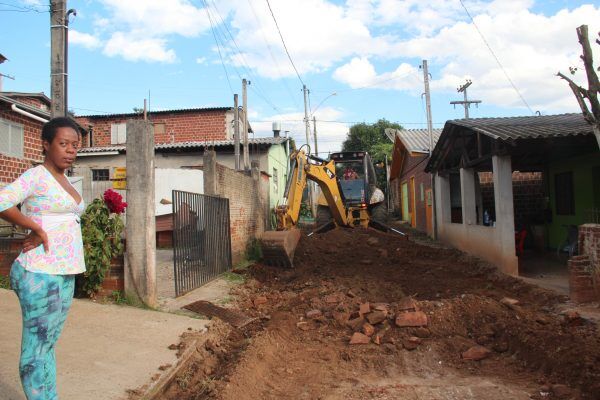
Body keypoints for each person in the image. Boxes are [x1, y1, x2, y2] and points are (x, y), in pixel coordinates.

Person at [0, 117, 85, 400]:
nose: (70, 150)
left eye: (75, 145)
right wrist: (34, 227)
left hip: (64, 271)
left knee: (47, 346)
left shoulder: (66, 179)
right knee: (36, 350)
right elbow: (2, 201)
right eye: (63, 144)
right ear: (46, 145)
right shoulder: (36, 175)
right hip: (40, 271)